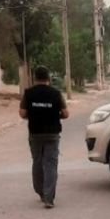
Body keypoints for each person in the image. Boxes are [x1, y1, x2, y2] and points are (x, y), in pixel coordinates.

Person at [19, 66, 69, 208]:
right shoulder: (56, 93)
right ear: (49, 78)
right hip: (52, 134)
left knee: (37, 162)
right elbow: (66, 113)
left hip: (35, 133)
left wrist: (33, 114)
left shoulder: (28, 93)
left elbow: (22, 113)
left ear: (35, 78)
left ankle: (40, 191)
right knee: (50, 164)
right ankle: (49, 198)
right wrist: (55, 115)